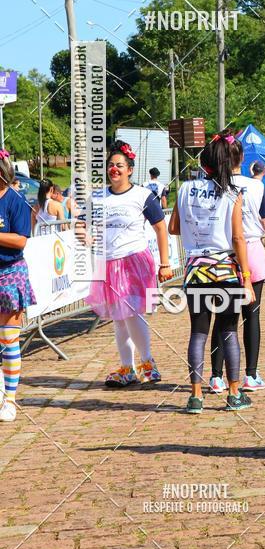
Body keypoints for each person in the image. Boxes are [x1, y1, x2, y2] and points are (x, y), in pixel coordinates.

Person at [168, 130, 255, 414]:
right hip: (225, 271)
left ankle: (195, 396)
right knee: (229, 331)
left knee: (198, 333)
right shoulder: (232, 193)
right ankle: (233, 393)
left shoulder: (184, 189)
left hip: (195, 271)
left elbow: (173, 228)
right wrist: (247, 277)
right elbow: (239, 239)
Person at [83, 140, 172, 387]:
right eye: (111, 165)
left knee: (131, 313)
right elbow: (81, 223)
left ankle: (148, 364)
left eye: (119, 165)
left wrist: (165, 263)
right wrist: (85, 235)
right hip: (109, 264)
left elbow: (160, 228)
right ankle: (127, 368)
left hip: (134, 261)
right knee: (119, 318)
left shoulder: (143, 195)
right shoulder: (97, 197)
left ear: (130, 169)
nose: (114, 169)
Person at [209, 136, 265, 394]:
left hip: (222, 253)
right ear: (242, 159)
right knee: (252, 316)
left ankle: (216, 376)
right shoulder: (256, 187)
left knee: (222, 316)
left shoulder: (215, 185)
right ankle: (251, 374)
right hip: (251, 250)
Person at [0, 151, 35, 422]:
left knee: (8, 338)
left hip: (10, 273)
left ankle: (10, 400)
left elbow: (21, 239)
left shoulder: (16, 201)